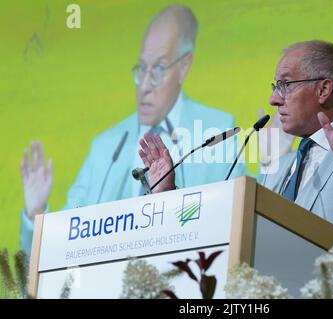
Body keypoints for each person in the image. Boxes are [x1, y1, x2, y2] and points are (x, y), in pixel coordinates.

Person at [141, 40, 333, 247]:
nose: (274, 99)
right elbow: (229, 233)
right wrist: (166, 195)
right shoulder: (278, 168)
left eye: (285, 85)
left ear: (324, 89)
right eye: (275, 87)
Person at [19, 5, 245, 257]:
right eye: (141, 69)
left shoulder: (215, 130)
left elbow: (235, 217)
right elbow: (67, 231)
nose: (144, 86)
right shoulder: (106, 146)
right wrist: (35, 213)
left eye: (158, 69)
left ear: (184, 66)